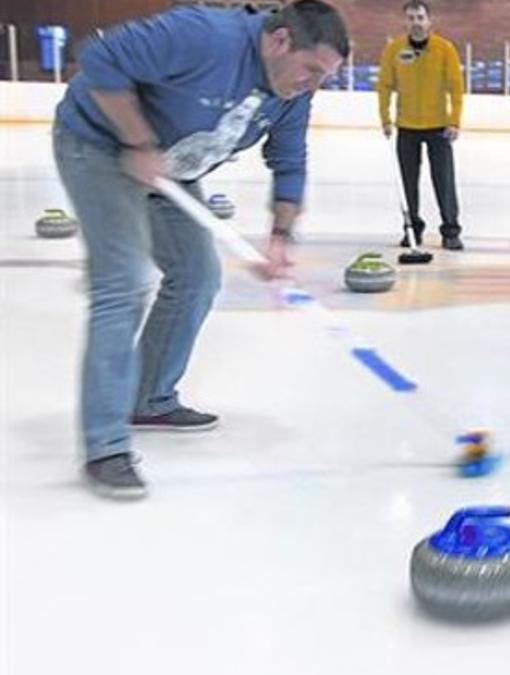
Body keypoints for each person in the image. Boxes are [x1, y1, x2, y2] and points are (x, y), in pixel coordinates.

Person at [54, 0, 349, 499]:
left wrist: (281, 239)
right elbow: (99, 58)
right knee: (123, 283)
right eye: (311, 70)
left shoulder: (293, 91)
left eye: (326, 76)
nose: (313, 84)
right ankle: (105, 446)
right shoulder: (203, 35)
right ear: (279, 41)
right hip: (100, 148)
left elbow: (289, 158)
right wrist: (137, 140)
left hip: (170, 169)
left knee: (198, 277)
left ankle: (148, 398)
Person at [376, 0, 466, 251]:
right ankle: (412, 229)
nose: (416, 22)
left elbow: (456, 88)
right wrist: (385, 118)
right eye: (411, 18)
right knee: (408, 183)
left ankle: (451, 231)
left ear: (429, 21)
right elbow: (384, 86)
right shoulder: (394, 49)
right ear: (405, 21)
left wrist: (454, 121)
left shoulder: (444, 49)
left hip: (439, 128)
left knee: (444, 181)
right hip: (407, 127)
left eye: (420, 17)